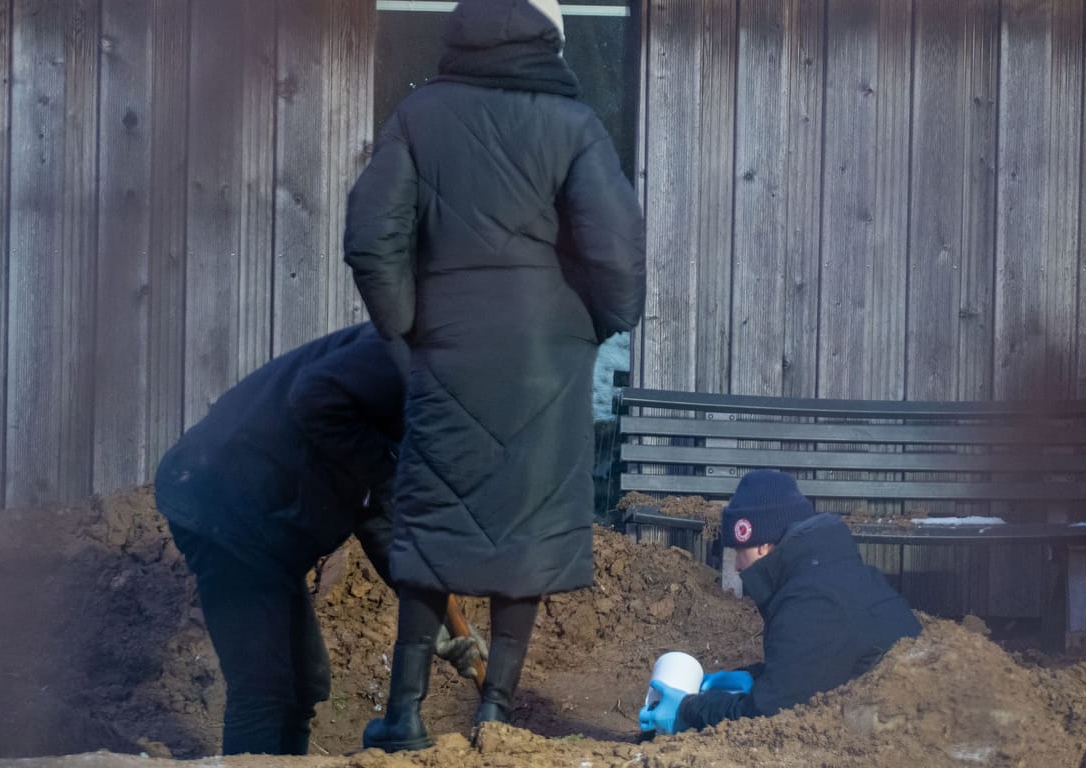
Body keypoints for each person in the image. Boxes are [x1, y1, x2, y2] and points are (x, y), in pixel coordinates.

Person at [342, 0, 646, 752]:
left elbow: (370, 240)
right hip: (547, 356)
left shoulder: (420, 116)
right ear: (552, 39)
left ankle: (405, 714)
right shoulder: (575, 127)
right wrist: (595, 325)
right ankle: (495, 715)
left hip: (447, 349)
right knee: (529, 527)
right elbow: (617, 256)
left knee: (433, 521)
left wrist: (409, 329)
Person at [153, 323, 484, 755]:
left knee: (305, 681)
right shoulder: (406, 357)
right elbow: (315, 402)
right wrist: (393, 477)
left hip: (267, 522)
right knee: (264, 687)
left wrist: (432, 610)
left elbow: (379, 518)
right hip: (219, 502)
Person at [639, 470, 922, 735]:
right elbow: (818, 668)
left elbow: (770, 714)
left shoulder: (810, 600)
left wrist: (687, 710)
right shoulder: (830, 574)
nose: (737, 565)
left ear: (763, 544)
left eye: (739, 550)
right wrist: (752, 676)